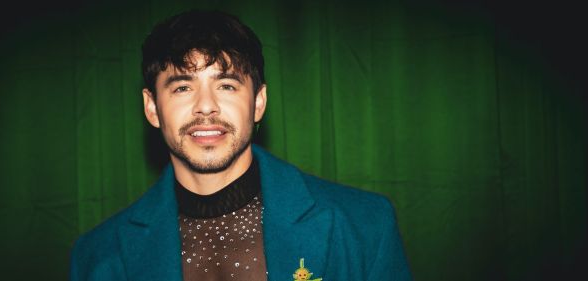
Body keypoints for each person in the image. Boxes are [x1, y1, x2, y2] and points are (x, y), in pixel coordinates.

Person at [69, 9, 412, 281]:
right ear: (152, 107)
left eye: (228, 85)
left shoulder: (366, 227)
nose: (206, 106)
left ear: (259, 102)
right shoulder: (97, 257)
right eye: (183, 87)